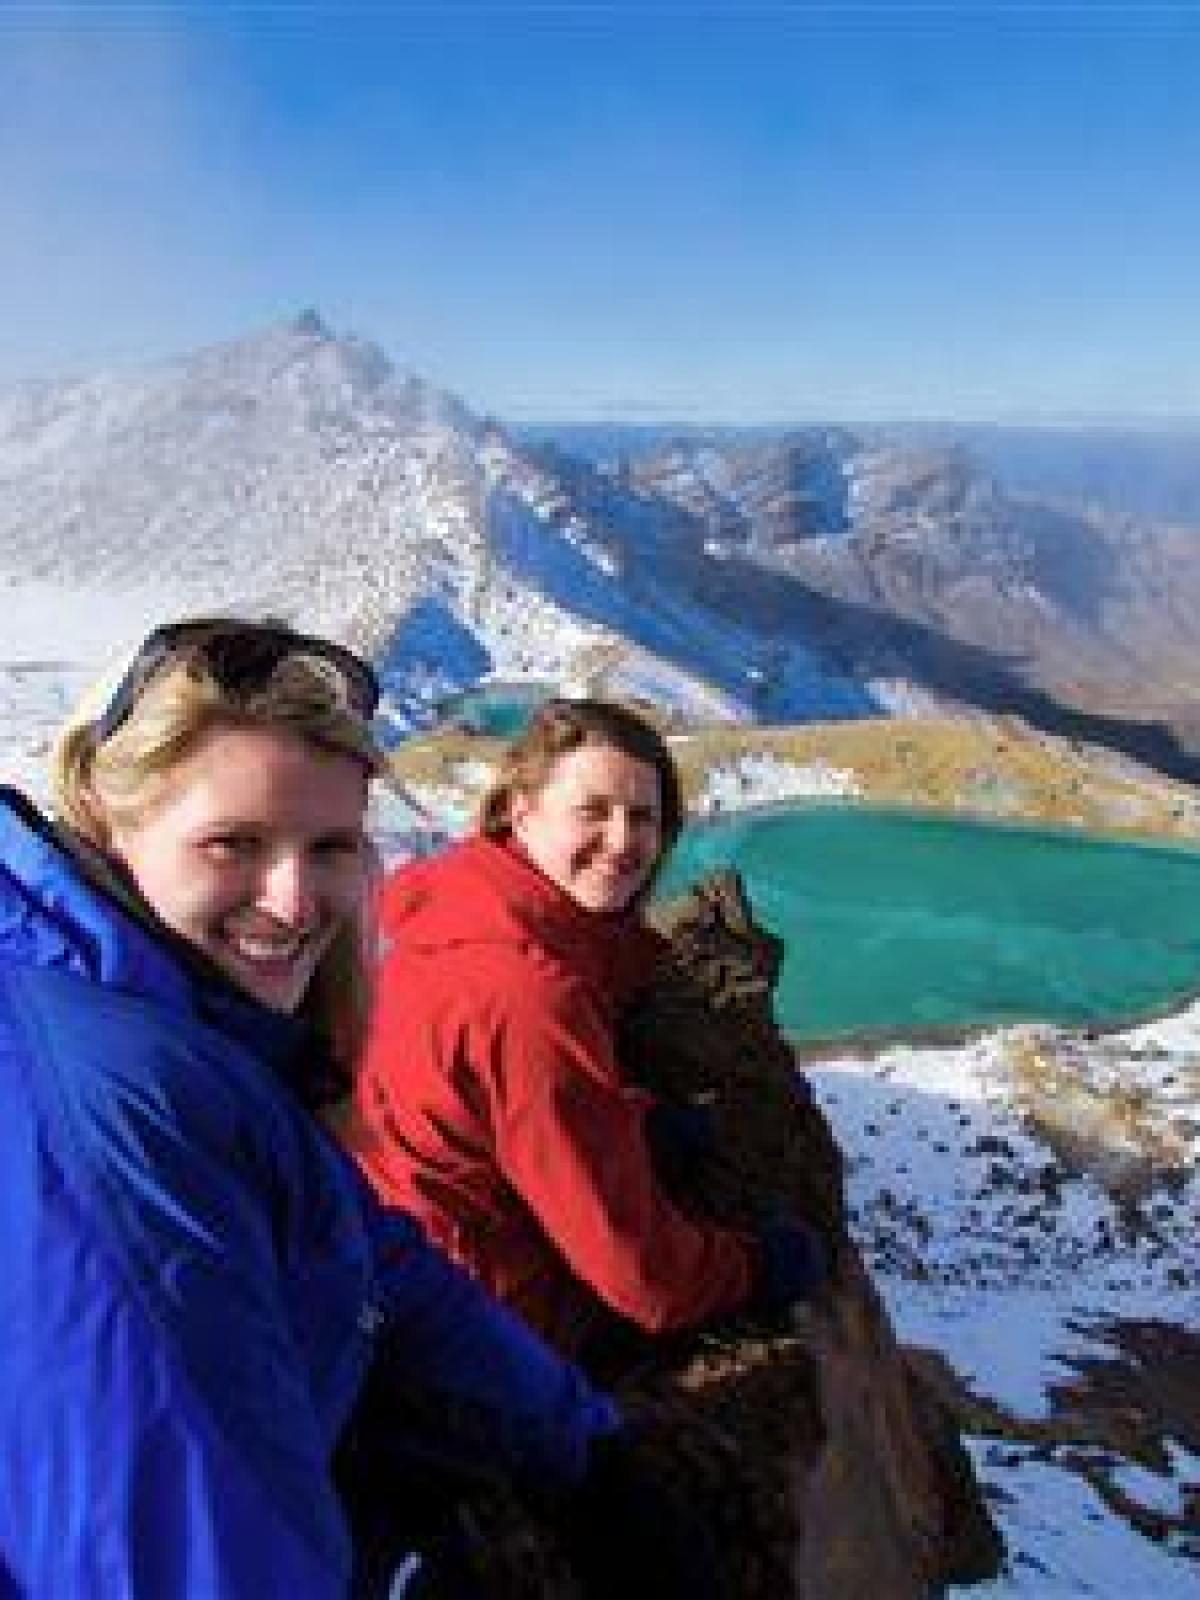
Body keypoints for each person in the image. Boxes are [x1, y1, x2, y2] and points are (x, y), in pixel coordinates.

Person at [0, 622, 721, 1600]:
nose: (295, 902)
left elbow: (366, 1247)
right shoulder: (119, 1117)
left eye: (331, 845)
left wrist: (582, 1445)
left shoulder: (174, 1018)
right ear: (104, 815)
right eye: (234, 843)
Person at [346, 697, 826, 1368]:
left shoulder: (461, 906)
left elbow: (495, 1109)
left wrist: (625, 1123)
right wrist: (754, 1268)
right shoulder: (533, 997)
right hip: (481, 1321)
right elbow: (643, 1280)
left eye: (643, 818)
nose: (624, 840)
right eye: (592, 811)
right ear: (522, 809)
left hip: (405, 1262)